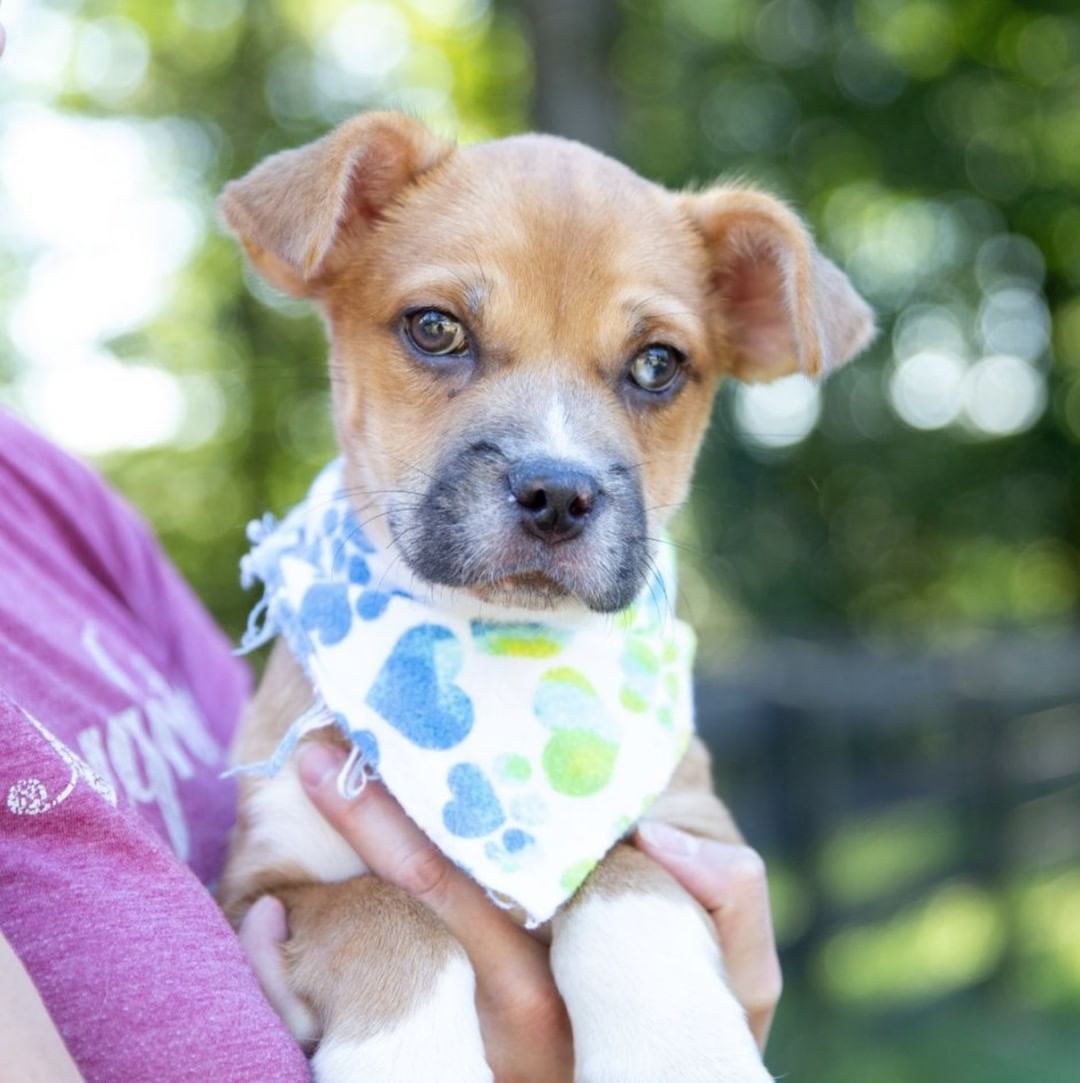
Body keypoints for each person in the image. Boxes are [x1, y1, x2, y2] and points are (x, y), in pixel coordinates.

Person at [0, 27, 779, 1083]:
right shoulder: (314, 678)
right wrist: (389, 978)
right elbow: (268, 905)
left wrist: (643, 932)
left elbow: (698, 877)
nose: (557, 470)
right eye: (441, 333)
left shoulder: (642, 725)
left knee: (641, 892)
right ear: (330, 257)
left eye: (650, 365)